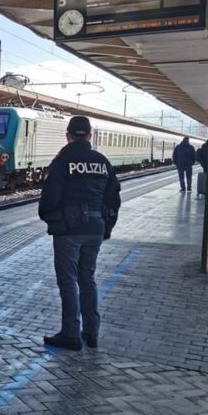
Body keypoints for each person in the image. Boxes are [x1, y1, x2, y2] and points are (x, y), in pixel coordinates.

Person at [38, 116, 121, 351]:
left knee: (68, 281)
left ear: (68, 135)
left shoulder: (63, 161)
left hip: (69, 231)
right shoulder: (102, 161)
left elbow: (50, 198)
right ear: (90, 135)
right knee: (88, 279)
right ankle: (92, 331)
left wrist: (54, 221)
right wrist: (107, 226)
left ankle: (71, 333)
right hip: (95, 228)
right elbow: (114, 198)